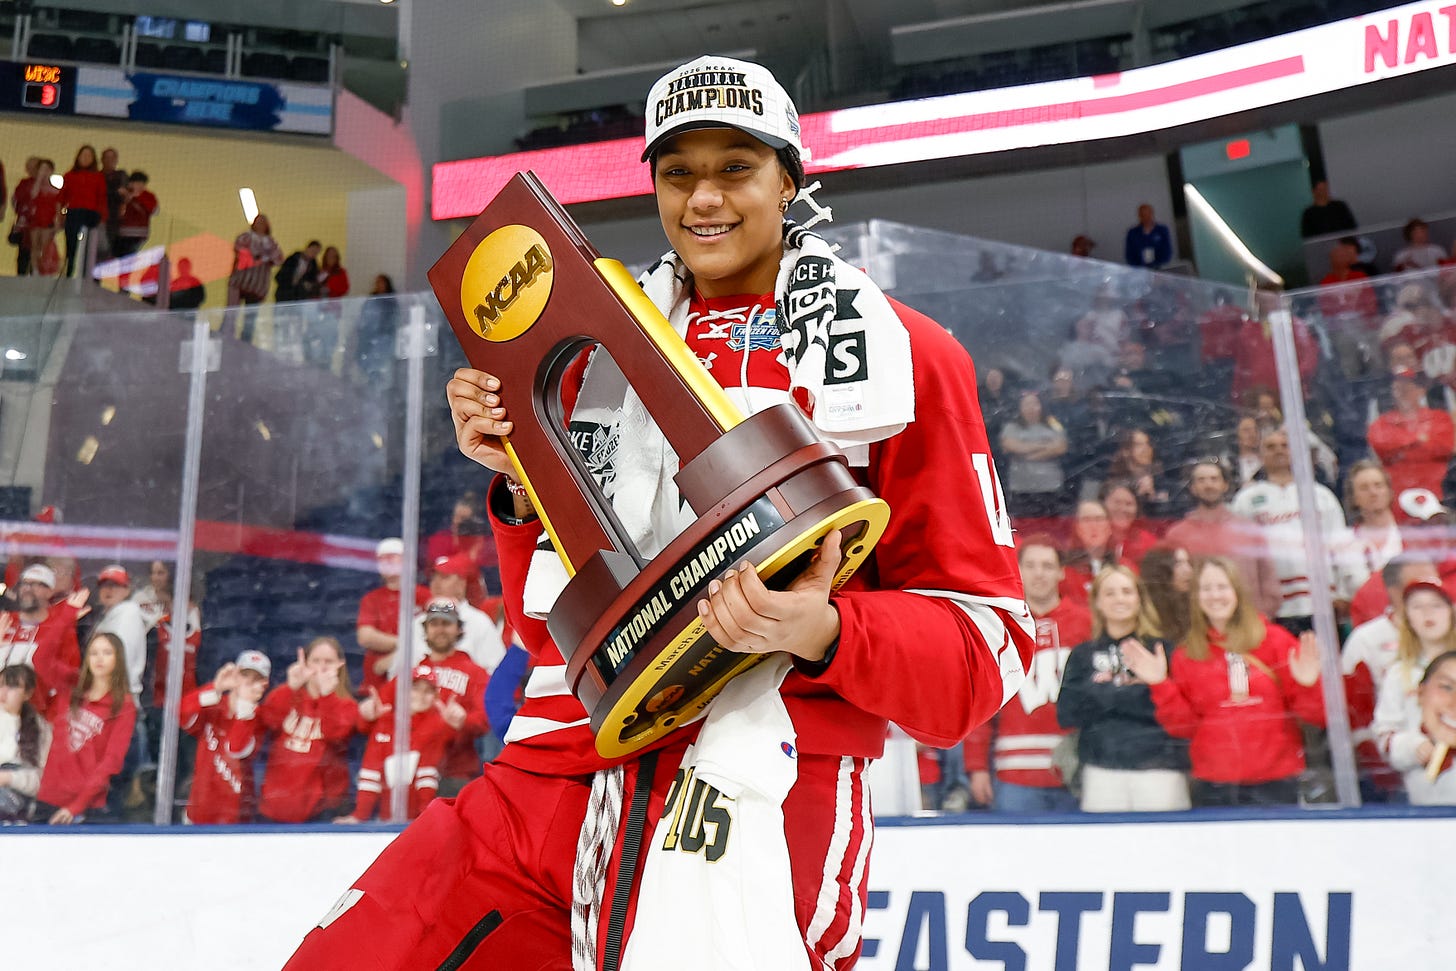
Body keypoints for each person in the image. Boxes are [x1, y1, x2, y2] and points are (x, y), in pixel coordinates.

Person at [286, 54, 1035, 971]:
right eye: (678, 172)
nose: (703, 198)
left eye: (736, 167)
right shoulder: (592, 354)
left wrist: (824, 628)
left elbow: (985, 649)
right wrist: (521, 480)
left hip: (757, 793)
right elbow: (543, 627)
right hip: (550, 770)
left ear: (790, 179)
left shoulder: (904, 352)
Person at [1122, 557, 1324, 807]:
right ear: (1196, 597)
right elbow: (1184, 729)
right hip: (1214, 786)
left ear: (1237, 592)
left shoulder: (1275, 641)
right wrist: (1160, 684)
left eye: (1222, 587)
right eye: (1206, 588)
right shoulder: (1187, 654)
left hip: (1276, 782)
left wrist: (1308, 684)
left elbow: (1316, 716)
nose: (1215, 595)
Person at [965, 538, 1089, 812]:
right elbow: (982, 699)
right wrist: (977, 767)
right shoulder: (999, 625)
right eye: (1030, 565)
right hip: (1014, 775)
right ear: (1018, 570)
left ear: (1062, 572)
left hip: (1075, 769)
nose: (1039, 573)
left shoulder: (1086, 624)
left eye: (1047, 566)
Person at [1056, 566, 1190, 811]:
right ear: (1097, 602)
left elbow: (1174, 713)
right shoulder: (1082, 655)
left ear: (1139, 599)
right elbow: (1067, 713)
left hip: (1160, 771)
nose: (1119, 599)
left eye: (1127, 592)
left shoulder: (1162, 650)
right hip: (1102, 772)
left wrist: (1102, 693)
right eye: (1110, 593)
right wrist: (1136, 692)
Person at [1231, 426, 1367, 632]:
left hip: (1322, 604)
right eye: (1270, 447)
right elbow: (1242, 558)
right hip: (1273, 609)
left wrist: (1343, 593)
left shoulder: (1320, 495)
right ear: (1260, 455)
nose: (1279, 450)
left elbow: (1342, 547)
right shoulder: (1246, 501)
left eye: (1285, 446)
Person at [34, 632, 137, 824]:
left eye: (107, 652)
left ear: (118, 658)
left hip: (88, 806)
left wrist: (76, 807)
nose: (99, 658)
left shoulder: (124, 705)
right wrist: (67, 617)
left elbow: (111, 761)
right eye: (93, 653)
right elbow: (41, 658)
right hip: (50, 796)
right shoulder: (71, 685)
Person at [337, 661, 455, 823]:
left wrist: (425, 820)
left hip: (423, 820)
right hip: (386, 821)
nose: (421, 695)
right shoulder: (385, 722)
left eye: (428, 691)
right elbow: (371, 772)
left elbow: (427, 776)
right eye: (415, 688)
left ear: (435, 697)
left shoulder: (437, 725)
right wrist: (360, 816)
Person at [1162, 460, 1281, 618]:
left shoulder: (1248, 529)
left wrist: (1264, 613)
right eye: (1201, 480)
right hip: (1199, 623)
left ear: (1225, 485)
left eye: (1214, 479)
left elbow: (1267, 577)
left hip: (1249, 620)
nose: (1208, 485)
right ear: (1192, 488)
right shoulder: (1177, 535)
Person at [258, 638, 356, 823]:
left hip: (322, 810)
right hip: (276, 804)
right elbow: (268, 720)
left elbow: (335, 735)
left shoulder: (346, 705)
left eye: (328, 662)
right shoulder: (288, 695)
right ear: (305, 663)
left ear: (340, 665)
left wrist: (327, 696)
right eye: (316, 661)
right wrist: (291, 687)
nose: (322, 667)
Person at [179, 650, 271, 824]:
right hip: (198, 810)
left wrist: (245, 704)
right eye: (244, 675)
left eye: (256, 679)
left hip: (233, 817)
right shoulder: (214, 704)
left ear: (263, 685)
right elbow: (182, 713)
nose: (248, 682)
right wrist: (215, 687)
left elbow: (235, 748)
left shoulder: (257, 717)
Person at [411, 599, 491, 795]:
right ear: (426, 629)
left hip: (455, 773)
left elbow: (485, 718)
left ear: (458, 629)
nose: (440, 630)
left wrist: (464, 721)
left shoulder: (475, 673)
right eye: (434, 624)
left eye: (446, 623)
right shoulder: (412, 672)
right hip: (413, 771)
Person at [0, 564, 86, 716]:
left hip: (37, 718)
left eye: (36, 584)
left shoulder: (61, 628)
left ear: (50, 591)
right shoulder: (4, 621)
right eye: (25, 583)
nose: (27, 588)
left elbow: (68, 682)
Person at [356, 537, 431, 696]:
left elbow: (433, 638)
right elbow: (366, 637)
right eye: (383, 559)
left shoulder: (425, 596)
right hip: (375, 686)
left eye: (393, 557)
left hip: (415, 685)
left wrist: (396, 657)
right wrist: (404, 646)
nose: (388, 562)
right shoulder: (371, 599)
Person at [1366, 369, 1455, 502]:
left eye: (1408, 387)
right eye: (1398, 387)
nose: (1403, 391)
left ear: (1421, 391)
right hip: (1396, 495)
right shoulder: (1382, 422)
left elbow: (1445, 447)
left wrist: (1401, 446)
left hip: (1437, 492)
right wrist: (1418, 439)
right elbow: (1381, 445)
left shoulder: (1439, 418)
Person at [409, 555, 505, 673]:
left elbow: (496, 669)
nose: (436, 583)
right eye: (433, 577)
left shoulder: (479, 622)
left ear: (462, 584)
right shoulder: (418, 622)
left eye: (444, 577)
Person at [1391, 650, 1456, 804]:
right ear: (1420, 692)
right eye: (1446, 687)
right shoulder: (1410, 743)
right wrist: (1416, 748)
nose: (1454, 702)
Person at [998, 390, 1067, 519]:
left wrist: (1029, 453)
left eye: (1034, 403)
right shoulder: (1011, 427)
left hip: (1050, 487)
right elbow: (1010, 445)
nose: (1031, 408)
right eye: (1026, 404)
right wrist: (1043, 445)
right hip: (1021, 488)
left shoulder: (1053, 424)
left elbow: (1061, 447)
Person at [0, 664, 52, 822]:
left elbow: (43, 780)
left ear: (28, 693)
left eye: (13, 686)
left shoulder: (40, 728)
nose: (3, 692)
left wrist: (8, 778)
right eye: (1, 685)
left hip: (20, 801)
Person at [228, 214, 284, 342]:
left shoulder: (271, 242)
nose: (260, 224)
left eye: (263, 222)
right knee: (231, 313)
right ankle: (228, 337)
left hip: (257, 286)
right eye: (258, 221)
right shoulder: (245, 237)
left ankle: (245, 343)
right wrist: (263, 257)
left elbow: (279, 259)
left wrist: (264, 256)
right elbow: (241, 251)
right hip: (239, 282)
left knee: (250, 317)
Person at [59, 145, 107, 279]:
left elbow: (101, 198)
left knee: (88, 246)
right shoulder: (70, 175)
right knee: (71, 243)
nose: (85, 158)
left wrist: (102, 218)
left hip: (91, 214)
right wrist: (59, 215)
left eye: (89, 156)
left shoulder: (98, 177)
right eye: (83, 155)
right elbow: (62, 197)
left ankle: (85, 273)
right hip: (74, 212)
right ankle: (69, 270)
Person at [1138, 545, 1192, 645]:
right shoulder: (1146, 610)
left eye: (1188, 562)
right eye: (1178, 564)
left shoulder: (1194, 605)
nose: (1188, 570)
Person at [26, 159, 61, 276]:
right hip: (35, 219)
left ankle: (45, 270)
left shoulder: (55, 190)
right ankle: (35, 270)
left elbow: (58, 208)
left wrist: (57, 223)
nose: (44, 172)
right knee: (35, 246)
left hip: (48, 221)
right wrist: (39, 179)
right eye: (42, 169)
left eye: (47, 169)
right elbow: (33, 195)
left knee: (45, 246)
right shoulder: (35, 187)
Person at [112, 171, 158, 261]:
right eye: (137, 183)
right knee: (118, 256)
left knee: (128, 257)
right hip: (122, 233)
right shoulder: (124, 194)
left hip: (138, 234)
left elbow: (155, 210)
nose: (140, 186)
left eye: (142, 184)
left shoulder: (147, 196)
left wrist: (136, 197)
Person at [8, 156, 38, 275]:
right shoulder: (23, 183)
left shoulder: (46, 185)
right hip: (24, 226)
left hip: (39, 225)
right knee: (23, 254)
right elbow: (16, 200)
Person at [1124, 203, 1172, 270]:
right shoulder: (1133, 233)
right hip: (1140, 269)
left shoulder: (1162, 230)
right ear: (1139, 216)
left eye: (1148, 214)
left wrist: (1158, 264)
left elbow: (1167, 250)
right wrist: (1138, 267)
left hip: (1160, 268)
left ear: (1152, 214)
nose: (1146, 218)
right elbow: (1129, 254)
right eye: (1143, 215)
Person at [275, 239, 322, 304]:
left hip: (299, 296)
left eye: (316, 253)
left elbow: (313, 280)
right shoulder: (292, 259)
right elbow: (281, 276)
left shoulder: (313, 265)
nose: (313, 254)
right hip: (284, 293)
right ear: (307, 248)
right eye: (313, 251)